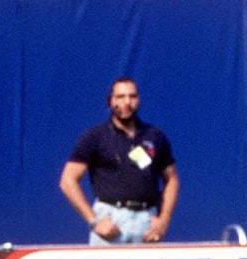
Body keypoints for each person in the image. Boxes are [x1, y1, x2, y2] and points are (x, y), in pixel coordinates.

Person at [59, 77, 179, 246]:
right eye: (120, 97)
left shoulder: (154, 136)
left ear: (139, 100)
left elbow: (172, 179)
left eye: (132, 96)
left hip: (146, 224)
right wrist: (94, 221)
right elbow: (67, 180)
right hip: (110, 221)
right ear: (110, 101)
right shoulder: (94, 137)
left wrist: (164, 220)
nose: (126, 102)